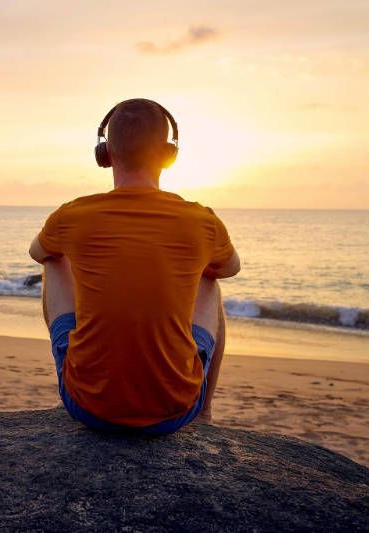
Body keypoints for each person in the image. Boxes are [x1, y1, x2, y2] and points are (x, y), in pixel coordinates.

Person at [29, 98, 240, 435]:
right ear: (169, 155)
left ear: (106, 152)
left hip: (87, 407)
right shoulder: (202, 220)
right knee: (209, 279)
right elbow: (230, 267)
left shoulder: (71, 215)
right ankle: (206, 413)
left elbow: (37, 252)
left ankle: (79, 374)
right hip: (175, 411)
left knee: (55, 259)